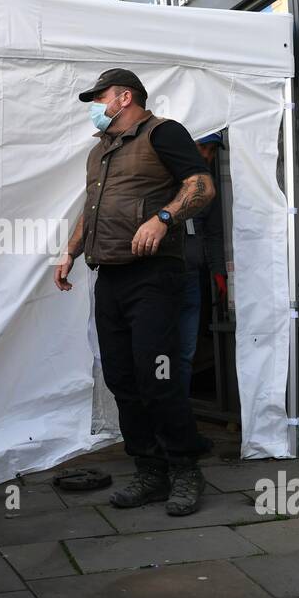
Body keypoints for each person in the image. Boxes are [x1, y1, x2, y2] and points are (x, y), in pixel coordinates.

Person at [54, 69, 216, 516]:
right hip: (110, 275)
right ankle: (150, 471)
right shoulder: (99, 152)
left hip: (155, 276)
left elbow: (201, 185)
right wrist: (69, 252)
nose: (94, 106)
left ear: (125, 98)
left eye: (99, 97)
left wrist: (162, 218)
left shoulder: (164, 134)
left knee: (157, 376)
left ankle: (185, 469)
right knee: (121, 378)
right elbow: (93, 209)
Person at [177, 132, 228, 396]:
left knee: (186, 350)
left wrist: (219, 272)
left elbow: (214, 233)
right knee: (162, 349)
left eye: (212, 151)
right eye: (203, 148)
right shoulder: (167, 179)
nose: (208, 156)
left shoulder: (209, 189)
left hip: (192, 277)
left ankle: (181, 413)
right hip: (162, 278)